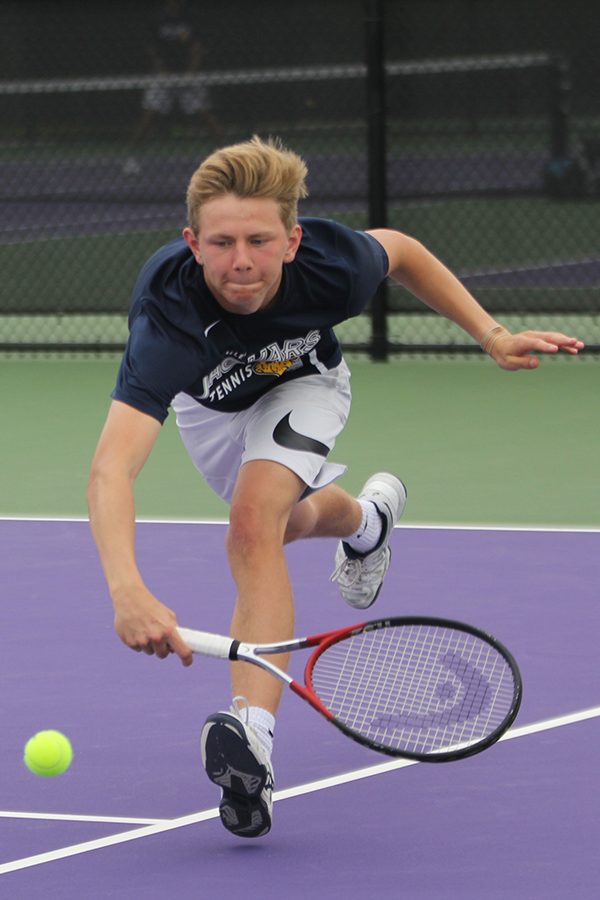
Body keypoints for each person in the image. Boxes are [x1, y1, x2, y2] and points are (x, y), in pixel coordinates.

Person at [87, 135, 584, 839]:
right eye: (221, 242)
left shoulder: (331, 264)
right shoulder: (169, 317)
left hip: (305, 383)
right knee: (284, 523)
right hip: (214, 405)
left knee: (255, 525)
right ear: (191, 242)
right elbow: (112, 467)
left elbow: (403, 250)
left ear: (292, 241)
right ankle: (367, 522)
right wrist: (126, 590)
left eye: (259, 240)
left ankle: (252, 736)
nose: (240, 261)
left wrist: (492, 334)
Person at [124, 0, 221, 174]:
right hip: (163, 76)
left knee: (206, 115)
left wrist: (191, 73)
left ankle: (228, 158)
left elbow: (197, 47)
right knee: (149, 116)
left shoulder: (192, 16)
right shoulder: (157, 19)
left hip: (189, 75)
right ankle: (132, 157)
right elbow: (151, 48)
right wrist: (162, 70)